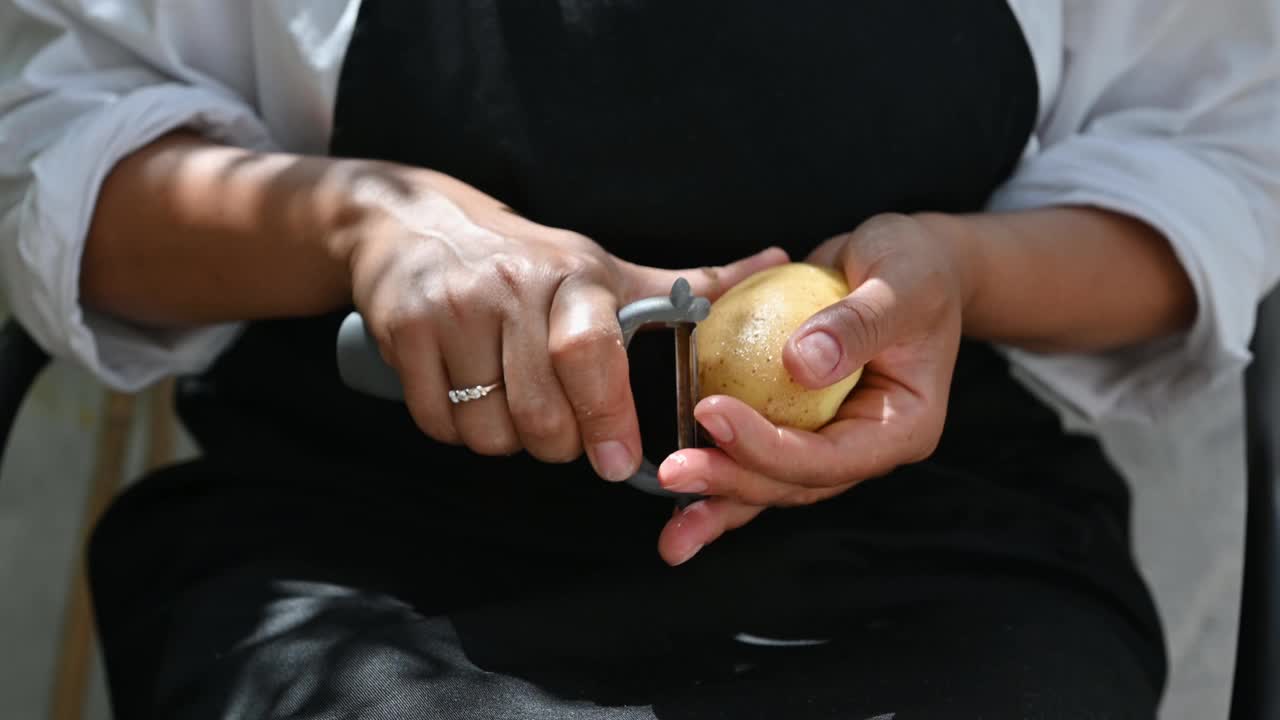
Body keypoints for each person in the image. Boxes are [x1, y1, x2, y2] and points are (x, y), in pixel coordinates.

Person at [2, 0, 1278, 717]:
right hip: (363, 527)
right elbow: (58, 168)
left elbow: (1214, 167)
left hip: (928, 542)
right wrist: (372, 224)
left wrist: (956, 273)